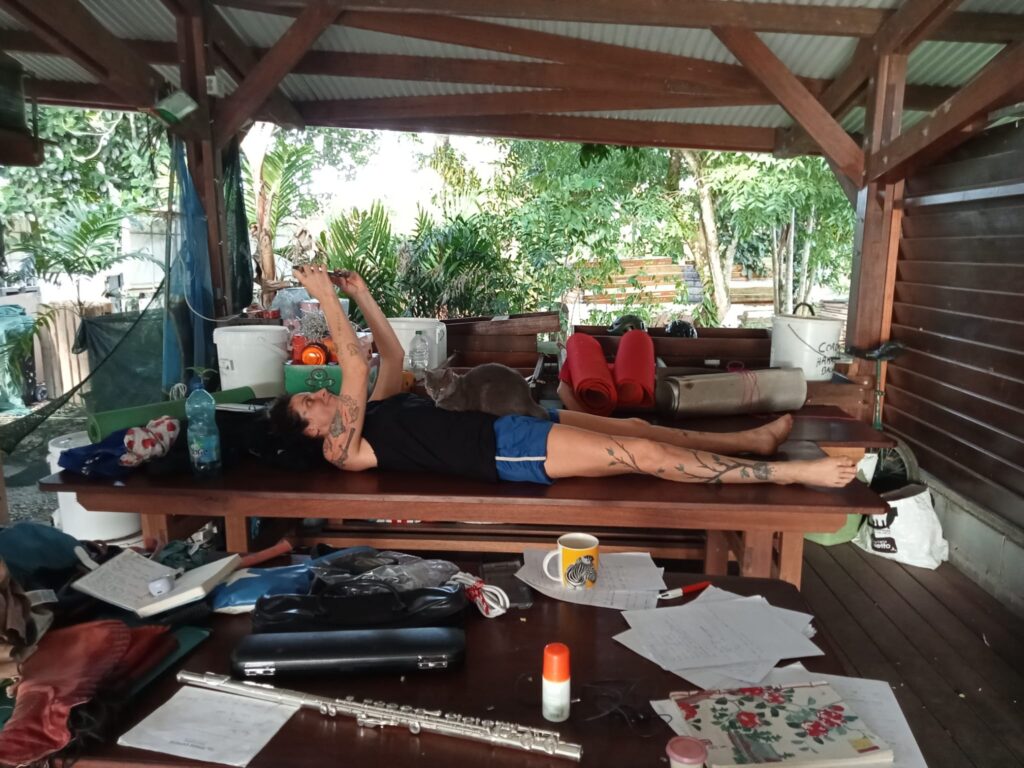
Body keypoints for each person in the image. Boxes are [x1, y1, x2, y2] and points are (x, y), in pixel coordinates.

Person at [270, 265, 857, 488]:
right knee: (639, 453)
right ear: (313, 434)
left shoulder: (373, 411)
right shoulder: (343, 450)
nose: (319, 394)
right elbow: (353, 362)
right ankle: (790, 475)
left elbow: (390, 356)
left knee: (635, 426)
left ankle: (750, 441)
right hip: (504, 450)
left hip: (505, 423)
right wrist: (323, 298)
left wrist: (360, 294)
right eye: (309, 405)